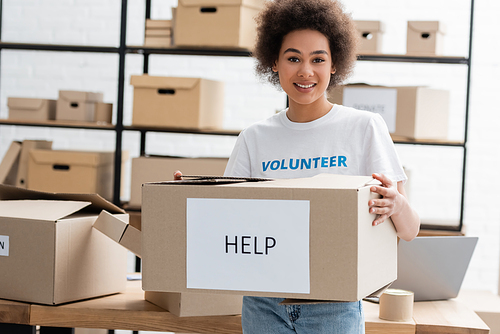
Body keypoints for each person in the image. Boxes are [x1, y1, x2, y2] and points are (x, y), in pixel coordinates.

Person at [175, 0, 420, 332]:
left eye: (318, 59)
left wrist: (397, 204)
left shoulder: (364, 128)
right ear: (274, 63)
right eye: (293, 59)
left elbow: (409, 231)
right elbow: (227, 222)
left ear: (335, 65)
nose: (306, 71)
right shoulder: (254, 138)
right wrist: (188, 197)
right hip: (263, 304)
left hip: (334, 306)